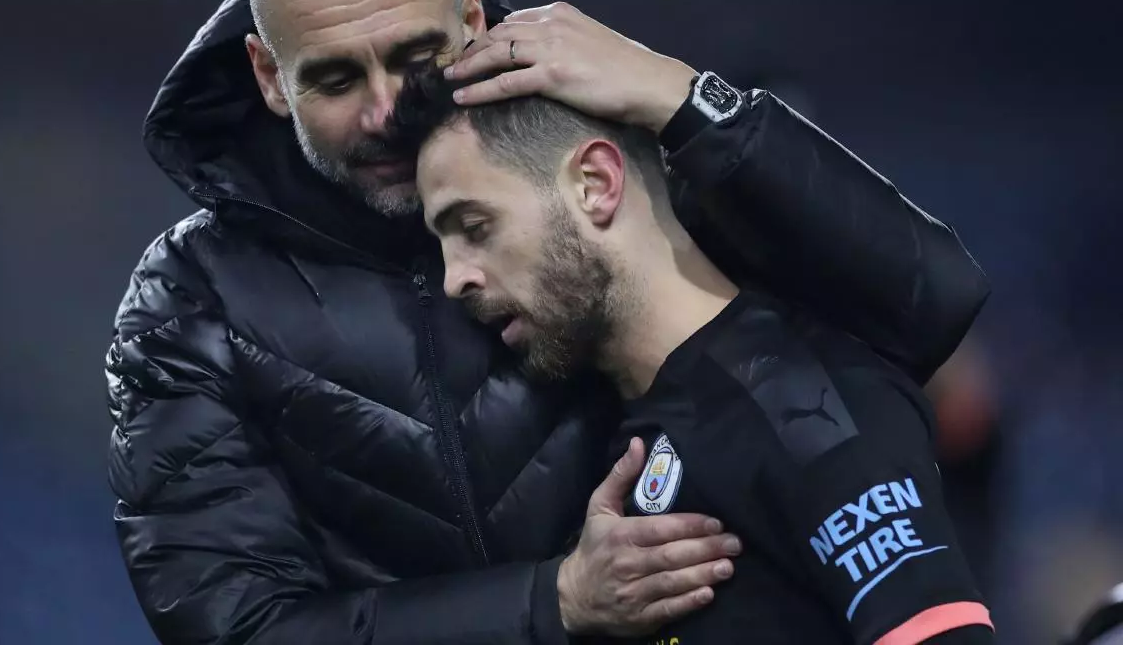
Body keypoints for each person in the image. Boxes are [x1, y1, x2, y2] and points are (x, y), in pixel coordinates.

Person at [106, 0, 989, 645]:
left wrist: (682, 95)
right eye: (334, 79)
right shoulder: (192, 303)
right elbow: (237, 628)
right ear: (268, 74)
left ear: (472, 15)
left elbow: (930, 305)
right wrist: (549, 604)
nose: (383, 113)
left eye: (416, 58)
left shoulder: (605, 149)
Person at [401, 70, 995, 643]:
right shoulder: (602, 428)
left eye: (474, 226)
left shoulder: (805, 406)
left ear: (596, 185)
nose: (455, 279)